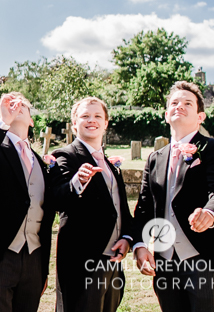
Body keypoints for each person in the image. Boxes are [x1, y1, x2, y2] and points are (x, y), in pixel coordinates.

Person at [132, 81, 214, 312]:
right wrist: (139, 245)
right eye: (174, 103)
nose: (179, 106)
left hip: (203, 255)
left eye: (187, 103)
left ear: (200, 116)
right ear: (166, 115)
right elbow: (144, 208)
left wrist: (210, 213)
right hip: (164, 260)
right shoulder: (154, 158)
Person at [0, 91, 54, 312]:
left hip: (34, 256)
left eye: (24, 104)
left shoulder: (41, 163)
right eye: (11, 103)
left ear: (32, 120)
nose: (18, 105)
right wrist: (3, 122)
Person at [49, 96, 133, 312]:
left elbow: (121, 209)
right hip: (82, 262)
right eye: (84, 116)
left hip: (113, 262)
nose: (91, 120)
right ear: (74, 123)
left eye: (97, 116)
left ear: (106, 123)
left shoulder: (112, 166)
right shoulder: (65, 156)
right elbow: (56, 199)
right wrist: (78, 181)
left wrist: (127, 238)